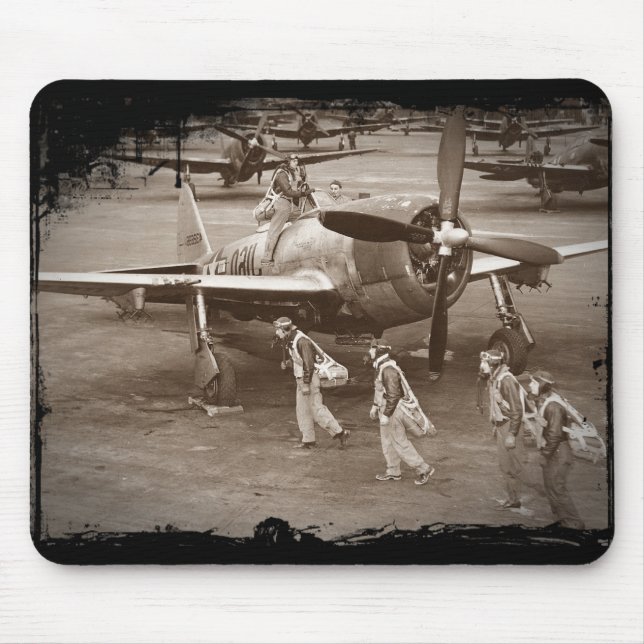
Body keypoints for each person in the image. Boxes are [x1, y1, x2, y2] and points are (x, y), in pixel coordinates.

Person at [273, 317, 349, 451]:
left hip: (309, 379)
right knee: (302, 411)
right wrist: (289, 363)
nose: (276, 332)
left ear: (285, 329)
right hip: (301, 379)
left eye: (278, 330)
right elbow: (300, 360)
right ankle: (308, 440)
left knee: (317, 409)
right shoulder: (291, 340)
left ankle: (341, 433)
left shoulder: (302, 341)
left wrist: (306, 384)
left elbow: (309, 365)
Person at [368, 341, 435, 485]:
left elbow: (393, 395)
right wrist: (375, 406)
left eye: (372, 349)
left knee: (399, 442)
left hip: (392, 411)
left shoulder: (388, 370)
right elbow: (380, 390)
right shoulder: (381, 367)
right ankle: (393, 471)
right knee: (387, 442)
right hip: (385, 408)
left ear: (379, 351)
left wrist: (386, 415)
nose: (370, 351)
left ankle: (423, 469)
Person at [528, 370, 585, 529]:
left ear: (542, 385)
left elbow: (554, 435)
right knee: (550, 487)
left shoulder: (553, 406)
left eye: (533, 382)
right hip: (555, 451)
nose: (530, 385)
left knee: (557, 488)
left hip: (558, 452)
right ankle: (563, 521)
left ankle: (574, 524)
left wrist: (545, 455)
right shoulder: (547, 399)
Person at [478, 349, 525, 510]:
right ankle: (513, 499)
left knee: (516, 466)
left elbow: (517, 410)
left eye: (484, 362)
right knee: (505, 465)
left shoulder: (506, 381)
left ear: (493, 364)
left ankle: (518, 498)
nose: (481, 365)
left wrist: (511, 434)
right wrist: (496, 425)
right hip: (502, 426)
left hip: (510, 426)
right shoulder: (494, 378)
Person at [260, 154, 314, 270]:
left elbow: (299, 184)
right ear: (288, 162)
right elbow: (288, 192)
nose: (296, 163)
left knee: (302, 220)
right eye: (294, 161)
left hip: (291, 205)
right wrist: (304, 193)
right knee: (274, 232)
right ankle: (266, 259)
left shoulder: (293, 173)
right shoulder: (282, 174)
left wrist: (303, 181)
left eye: (297, 161)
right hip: (282, 204)